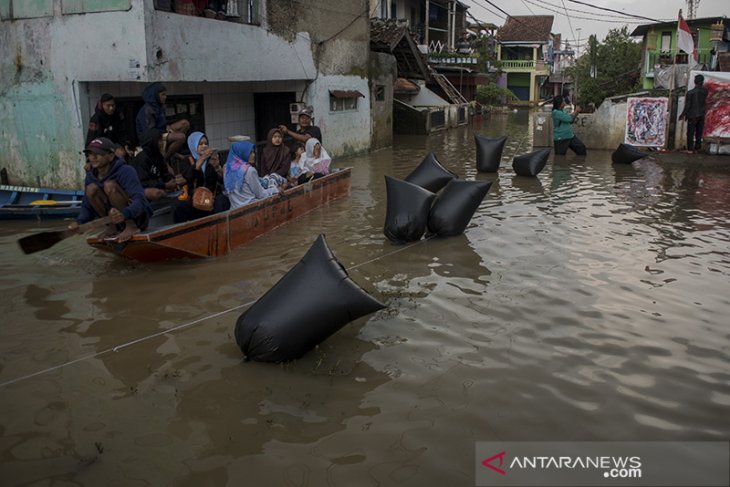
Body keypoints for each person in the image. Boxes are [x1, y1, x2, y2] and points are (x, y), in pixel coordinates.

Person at [69, 137, 152, 242]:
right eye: (90, 154)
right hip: (113, 219)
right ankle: (112, 227)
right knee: (91, 189)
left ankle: (131, 226)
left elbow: (140, 200)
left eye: (98, 153)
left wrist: (126, 214)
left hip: (135, 217)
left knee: (109, 185)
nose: (93, 157)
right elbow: (86, 205)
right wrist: (79, 222)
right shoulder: (90, 177)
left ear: (111, 156)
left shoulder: (126, 171)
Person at [173, 131, 229, 223]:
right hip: (193, 201)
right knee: (178, 206)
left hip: (209, 201)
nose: (204, 146)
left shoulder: (211, 160)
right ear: (193, 145)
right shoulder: (187, 160)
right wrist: (202, 159)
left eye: (206, 144)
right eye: (200, 144)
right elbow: (187, 176)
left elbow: (222, 181)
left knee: (223, 200)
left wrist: (217, 167)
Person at [135, 82, 190, 163]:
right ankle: (164, 160)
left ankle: (171, 150)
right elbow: (151, 132)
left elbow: (161, 123)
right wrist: (166, 131)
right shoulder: (148, 109)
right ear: (156, 95)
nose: (165, 97)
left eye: (165, 94)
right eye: (162, 94)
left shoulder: (160, 106)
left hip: (161, 131)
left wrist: (167, 127)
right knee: (181, 137)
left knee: (185, 123)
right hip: (151, 139)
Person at [224, 141, 284, 209]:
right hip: (252, 208)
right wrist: (275, 190)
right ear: (242, 153)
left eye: (253, 152)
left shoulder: (227, 169)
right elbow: (261, 194)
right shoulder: (249, 170)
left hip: (234, 208)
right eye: (250, 153)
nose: (253, 155)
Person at [131, 128, 185, 201]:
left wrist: (174, 180)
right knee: (156, 193)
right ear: (152, 142)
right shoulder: (142, 159)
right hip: (144, 193)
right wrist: (164, 184)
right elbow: (143, 182)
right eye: (159, 140)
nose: (161, 143)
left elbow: (165, 173)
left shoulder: (158, 156)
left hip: (161, 189)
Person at [85, 93, 129, 160]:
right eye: (108, 106)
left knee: (121, 153)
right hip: (100, 146)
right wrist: (88, 158)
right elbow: (91, 138)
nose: (111, 108)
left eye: (113, 105)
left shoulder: (118, 115)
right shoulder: (96, 119)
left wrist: (125, 144)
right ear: (102, 105)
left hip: (114, 144)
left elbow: (122, 132)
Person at [679, 74, 709, 153]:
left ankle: (690, 149)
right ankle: (697, 147)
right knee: (699, 132)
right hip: (701, 114)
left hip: (692, 115)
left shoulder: (690, 93)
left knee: (690, 133)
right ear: (702, 82)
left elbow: (688, 106)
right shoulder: (705, 91)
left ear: (695, 81)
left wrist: (682, 115)